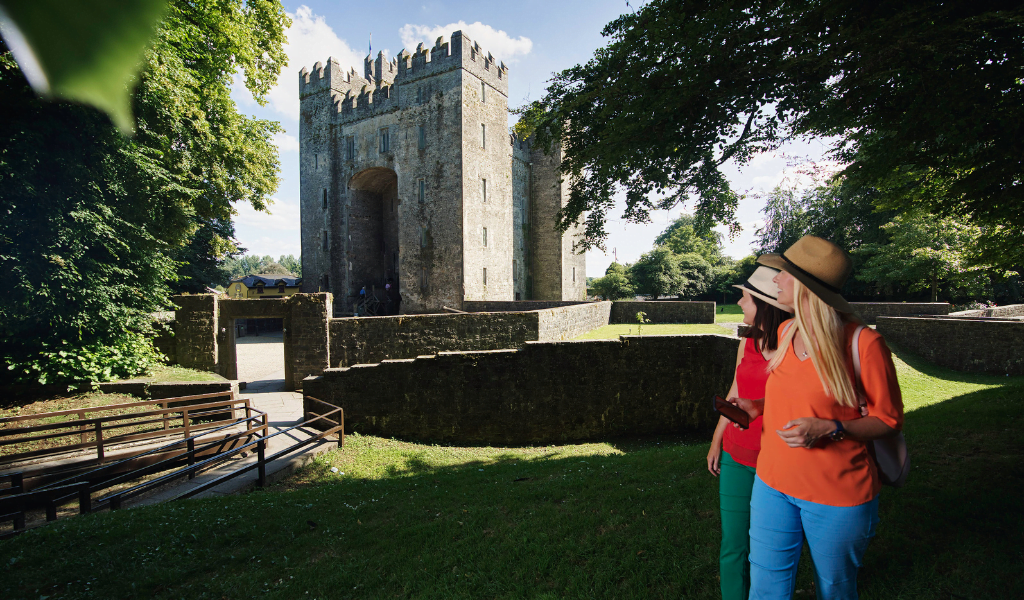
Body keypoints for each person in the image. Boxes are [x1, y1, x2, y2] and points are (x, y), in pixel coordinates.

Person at [741, 235, 904, 600]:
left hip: (837, 494)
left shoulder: (864, 344)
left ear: (805, 286)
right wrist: (758, 406)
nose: (777, 280)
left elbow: (888, 420)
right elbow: (796, 396)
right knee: (765, 585)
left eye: (783, 274)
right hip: (772, 483)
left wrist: (833, 428)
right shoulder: (785, 331)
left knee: (834, 588)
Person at [707, 266, 793, 600]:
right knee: (733, 544)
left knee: (771, 548)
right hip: (736, 454)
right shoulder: (749, 342)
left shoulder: (796, 346)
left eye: (746, 296)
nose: (740, 302)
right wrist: (717, 440)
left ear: (765, 304)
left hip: (778, 460)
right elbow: (735, 390)